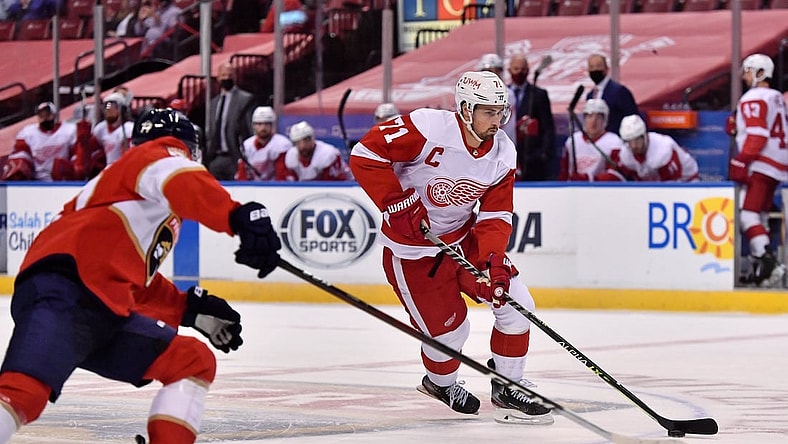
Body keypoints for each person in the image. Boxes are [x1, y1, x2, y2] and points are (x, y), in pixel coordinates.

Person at [0, 108, 282, 444]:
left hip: (99, 306)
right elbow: (177, 174)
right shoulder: (156, 157)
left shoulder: (136, 194)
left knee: (192, 361)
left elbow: (128, 276)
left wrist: (185, 307)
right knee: (22, 394)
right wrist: (235, 215)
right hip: (66, 292)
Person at [348, 71, 553, 425]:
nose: (497, 121)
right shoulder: (427, 127)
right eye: (489, 112)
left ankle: (509, 385)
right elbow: (365, 154)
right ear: (465, 109)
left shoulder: (503, 151)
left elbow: (495, 214)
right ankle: (440, 383)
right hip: (411, 252)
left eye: (501, 112)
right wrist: (395, 202)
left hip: (463, 238)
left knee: (517, 303)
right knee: (450, 332)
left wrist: (492, 261)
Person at [728, 53, 788, 288]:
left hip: (761, 163)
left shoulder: (754, 97)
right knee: (759, 215)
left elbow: (758, 134)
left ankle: (766, 260)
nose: (744, 76)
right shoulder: (776, 97)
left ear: (760, 73)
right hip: (777, 163)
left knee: (747, 215)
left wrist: (742, 159)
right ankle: (762, 266)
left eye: (748, 70)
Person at [507, 53, 555, 181]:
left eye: (523, 69)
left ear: (528, 71)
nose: (520, 72)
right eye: (516, 69)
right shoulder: (502, 94)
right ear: (509, 70)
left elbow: (548, 128)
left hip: (531, 158)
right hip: (506, 155)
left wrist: (543, 154)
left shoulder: (538, 94)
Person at [2, 102, 77, 182]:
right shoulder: (28, 133)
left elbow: (76, 155)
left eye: (47, 114)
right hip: (37, 181)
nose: (44, 118)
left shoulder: (69, 130)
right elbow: (21, 155)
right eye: (41, 115)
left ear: (54, 115)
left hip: (63, 180)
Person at [205, 62, 255, 180]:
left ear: (235, 77)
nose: (226, 78)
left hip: (236, 157)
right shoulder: (213, 103)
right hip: (216, 158)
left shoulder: (245, 99)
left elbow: (249, 129)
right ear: (218, 78)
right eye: (223, 75)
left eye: (229, 75)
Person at [617, 114, 699, 182]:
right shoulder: (625, 153)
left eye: (637, 140)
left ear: (644, 136)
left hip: (687, 181)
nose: (634, 146)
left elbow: (674, 182)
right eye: (629, 141)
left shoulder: (663, 148)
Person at [559, 99, 626, 181]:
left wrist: (590, 179)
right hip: (575, 190)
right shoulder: (572, 141)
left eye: (598, 117)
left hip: (601, 190)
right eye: (590, 116)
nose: (593, 121)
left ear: (605, 120)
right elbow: (564, 172)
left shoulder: (614, 142)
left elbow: (616, 175)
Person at [278, 120, 352, 181]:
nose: (303, 145)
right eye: (298, 142)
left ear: (312, 139)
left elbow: (334, 184)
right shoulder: (291, 155)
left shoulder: (328, 153)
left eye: (306, 140)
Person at [586, 53, 638, 136]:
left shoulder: (619, 91)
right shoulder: (590, 95)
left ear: (606, 69)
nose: (595, 69)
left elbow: (632, 118)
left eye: (598, 66)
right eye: (591, 67)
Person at [236, 106, 292, 181]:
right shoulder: (247, 145)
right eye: (259, 124)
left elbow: (282, 176)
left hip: (274, 188)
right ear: (254, 126)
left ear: (272, 125)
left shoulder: (282, 144)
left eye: (266, 124)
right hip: (252, 188)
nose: (263, 128)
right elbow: (242, 175)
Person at [477, 54, 517, 146]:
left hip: (503, 145)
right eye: (485, 71)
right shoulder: (475, 93)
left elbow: (498, 122)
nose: (489, 75)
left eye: (494, 71)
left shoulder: (507, 94)